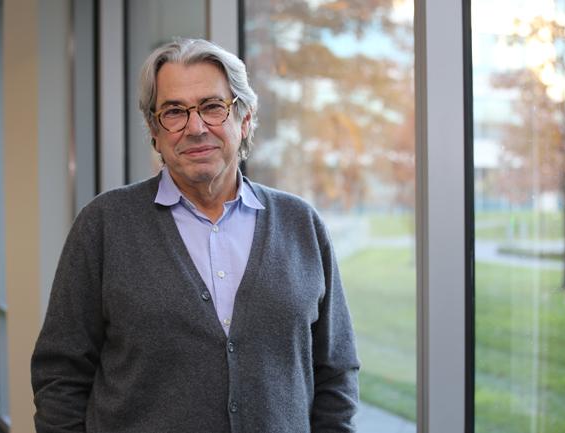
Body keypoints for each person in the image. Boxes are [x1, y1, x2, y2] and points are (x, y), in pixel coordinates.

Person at [31, 38, 359, 433]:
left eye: (212, 107)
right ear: (155, 130)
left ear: (245, 119)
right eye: (174, 112)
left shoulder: (301, 224)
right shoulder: (103, 225)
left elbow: (336, 370)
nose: (196, 127)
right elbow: (60, 375)